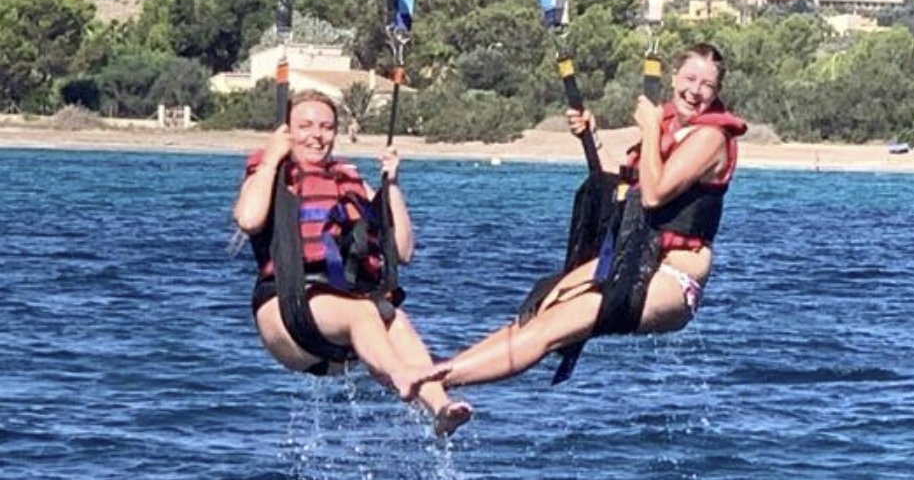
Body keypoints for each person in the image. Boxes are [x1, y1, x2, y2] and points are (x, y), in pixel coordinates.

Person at [422, 43, 747, 388]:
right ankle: (440, 385)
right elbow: (624, 184)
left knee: (550, 329)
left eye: (707, 85)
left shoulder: (710, 137)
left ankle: (435, 382)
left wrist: (650, 128)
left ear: (717, 92)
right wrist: (591, 137)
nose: (695, 91)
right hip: (633, 260)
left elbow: (653, 195)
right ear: (673, 77)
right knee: (538, 312)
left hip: (672, 278)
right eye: (690, 78)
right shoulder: (665, 126)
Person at [232, 90, 470, 436]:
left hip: (339, 327)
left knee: (396, 319)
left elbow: (402, 251)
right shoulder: (272, 175)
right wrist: (271, 158)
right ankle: (400, 375)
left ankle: (440, 408)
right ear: (286, 132)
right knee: (365, 313)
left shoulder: (350, 181)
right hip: (287, 311)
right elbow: (249, 219)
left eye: (327, 127)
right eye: (305, 126)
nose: (317, 135)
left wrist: (392, 185)